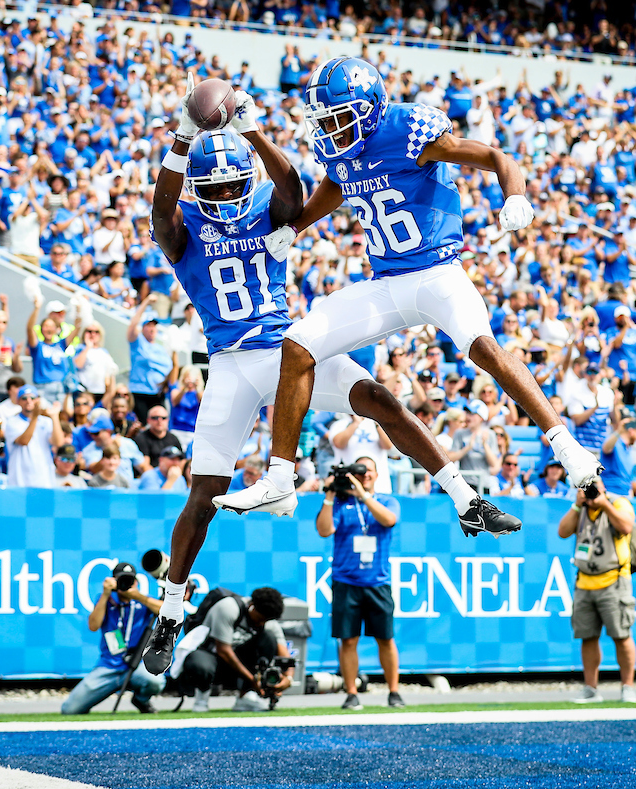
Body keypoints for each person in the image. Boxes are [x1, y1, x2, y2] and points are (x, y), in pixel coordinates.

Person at [215, 56, 599, 533]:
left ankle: (567, 445)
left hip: (438, 273)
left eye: (340, 118)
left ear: (372, 107)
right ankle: (280, 479)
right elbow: (338, 184)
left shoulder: (408, 128)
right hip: (386, 282)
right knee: (297, 346)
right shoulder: (339, 147)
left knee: (484, 348)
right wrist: (297, 225)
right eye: (327, 121)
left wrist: (514, 193)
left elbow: (498, 158)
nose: (333, 131)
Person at [144, 85, 438, 676]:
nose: (228, 194)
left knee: (380, 398)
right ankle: (170, 614)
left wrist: (252, 130)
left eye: (234, 184)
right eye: (217, 188)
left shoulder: (264, 206)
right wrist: (180, 141)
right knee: (201, 495)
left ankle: (461, 491)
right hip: (229, 361)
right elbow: (161, 211)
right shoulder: (183, 231)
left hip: (286, 354)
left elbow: (293, 191)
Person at [315, 456, 403, 710]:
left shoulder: (387, 500)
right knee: (348, 639)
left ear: (377, 474)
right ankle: (352, 692)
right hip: (346, 580)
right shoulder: (341, 502)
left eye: (367, 471)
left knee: (385, 638)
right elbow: (324, 530)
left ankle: (394, 691)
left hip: (377, 581)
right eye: (357, 471)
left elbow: (388, 520)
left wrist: (363, 494)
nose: (363, 475)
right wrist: (330, 495)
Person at [558, 476, 636, 704]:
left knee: (622, 635)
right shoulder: (581, 507)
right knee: (587, 637)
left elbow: (626, 526)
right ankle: (591, 689)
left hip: (614, 579)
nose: (591, 491)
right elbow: (563, 532)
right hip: (585, 581)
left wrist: (603, 504)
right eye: (586, 487)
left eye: (594, 486)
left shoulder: (618, 502)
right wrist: (576, 505)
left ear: (603, 485)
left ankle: (627, 687)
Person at [60, 562, 165, 715]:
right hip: (108, 666)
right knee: (69, 709)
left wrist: (137, 595)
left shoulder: (142, 600)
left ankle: (141, 700)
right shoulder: (106, 600)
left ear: (136, 582)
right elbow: (93, 626)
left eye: (130, 580)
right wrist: (105, 594)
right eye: (121, 579)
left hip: (135, 665)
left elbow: (165, 611)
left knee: (156, 681)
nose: (126, 584)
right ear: (113, 581)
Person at [172, 586, 294, 713]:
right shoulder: (229, 608)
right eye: (259, 619)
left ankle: (245, 697)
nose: (261, 623)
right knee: (199, 662)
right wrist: (253, 680)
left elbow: (285, 656)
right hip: (212, 656)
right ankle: (201, 698)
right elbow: (223, 651)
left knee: (269, 638)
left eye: (265, 620)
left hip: (239, 664)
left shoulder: (268, 621)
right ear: (252, 605)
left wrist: (287, 679)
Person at [4, 385, 64, 488]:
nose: (28, 401)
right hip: (20, 480)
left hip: (43, 480)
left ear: (37, 400)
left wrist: (54, 417)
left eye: (32, 398)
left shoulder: (46, 421)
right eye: (24, 398)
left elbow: (58, 442)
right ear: (18, 401)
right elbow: (24, 441)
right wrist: (35, 417)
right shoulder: (12, 422)